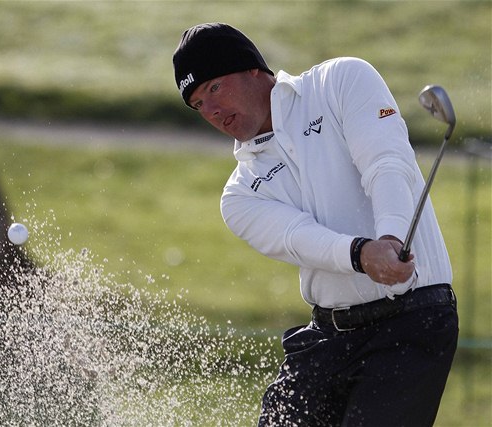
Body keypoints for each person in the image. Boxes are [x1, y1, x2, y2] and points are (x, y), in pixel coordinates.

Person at [172, 23, 458, 426]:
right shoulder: (239, 196)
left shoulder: (340, 80)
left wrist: (391, 237)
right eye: (198, 104)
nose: (212, 112)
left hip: (411, 322)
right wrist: (362, 254)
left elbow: (385, 163)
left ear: (253, 70)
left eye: (215, 88)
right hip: (327, 336)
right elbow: (299, 238)